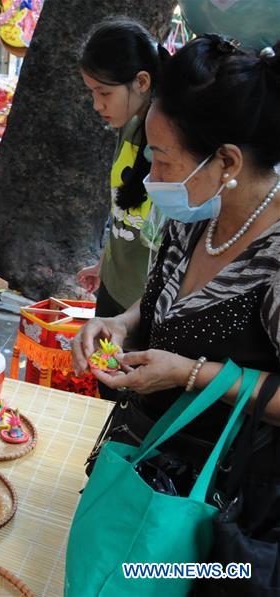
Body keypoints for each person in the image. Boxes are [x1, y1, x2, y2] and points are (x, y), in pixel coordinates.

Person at [73, 36, 280, 488]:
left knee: (157, 566)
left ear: (227, 161)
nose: (152, 179)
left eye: (163, 161)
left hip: (219, 509)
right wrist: (121, 325)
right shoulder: (195, 216)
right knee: (112, 558)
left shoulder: (274, 259)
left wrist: (191, 375)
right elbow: (164, 305)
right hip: (142, 463)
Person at [75, 18, 169, 323]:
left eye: (104, 93)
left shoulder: (172, 144)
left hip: (143, 308)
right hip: (113, 290)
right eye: (92, 93)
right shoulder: (127, 126)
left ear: (141, 82)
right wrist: (104, 263)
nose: (96, 105)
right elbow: (122, 206)